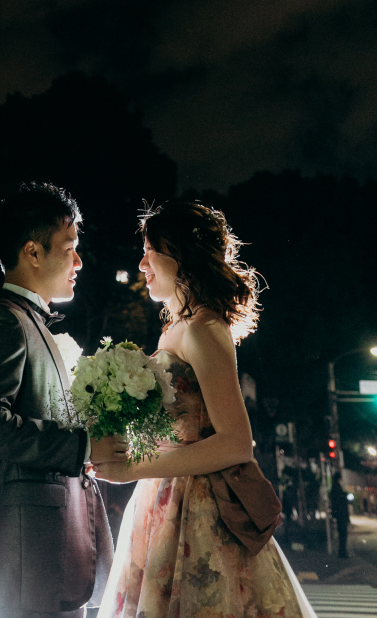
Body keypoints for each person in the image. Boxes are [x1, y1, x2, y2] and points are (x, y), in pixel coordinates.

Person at [93, 200, 316, 618]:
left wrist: (132, 470)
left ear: (181, 255)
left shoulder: (204, 329)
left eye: (150, 249)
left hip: (198, 510)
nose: (142, 262)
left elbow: (236, 444)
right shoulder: (178, 328)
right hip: (163, 500)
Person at [0, 182, 118, 617]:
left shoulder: (31, 322)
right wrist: (81, 446)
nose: (79, 261)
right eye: (70, 248)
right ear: (32, 252)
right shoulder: (5, 322)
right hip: (30, 559)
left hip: (51, 552)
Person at [329, 473, 350, 558]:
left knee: (342, 534)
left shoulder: (334, 487)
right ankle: (342, 552)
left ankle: (342, 552)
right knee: (343, 534)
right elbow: (341, 500)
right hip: (342, 515)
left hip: (339, 515)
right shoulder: (337, 488)